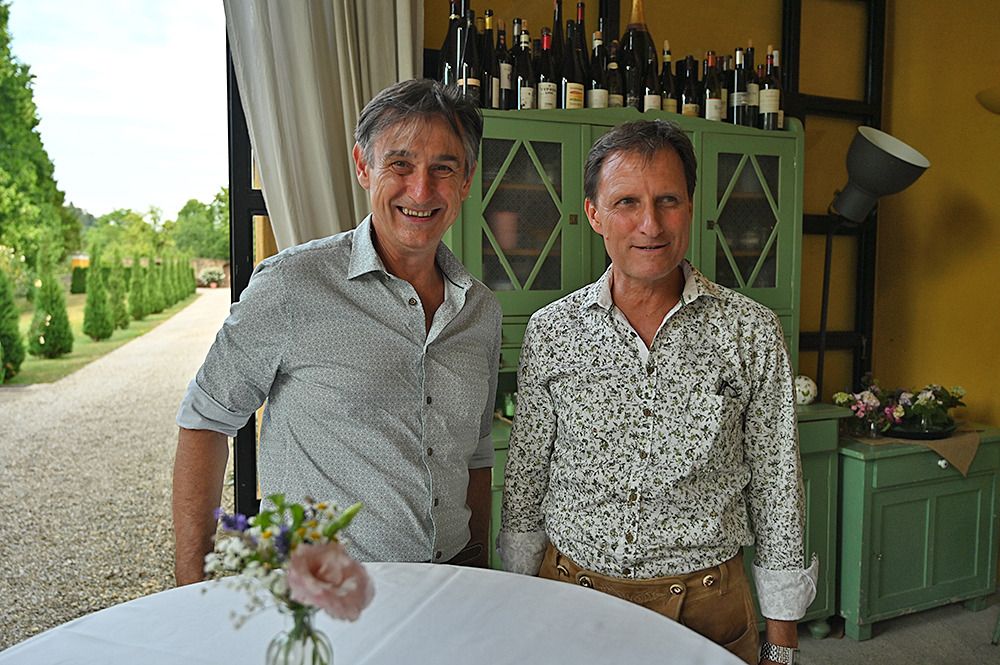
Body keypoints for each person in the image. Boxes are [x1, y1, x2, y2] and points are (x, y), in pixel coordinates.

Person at [498, 119, 816, 665]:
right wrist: (520, 597)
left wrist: (782, 643)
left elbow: (777, 485)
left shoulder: (750, 331)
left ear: (690, 207)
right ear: (594, 214)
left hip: (706, 607)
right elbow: (527, 475)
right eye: (626, 202)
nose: (650, 224)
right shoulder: (552, 330)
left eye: (668, 200)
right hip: (570, 596)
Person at [173, 79, 501, 585]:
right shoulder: (291, 284)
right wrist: (191, 583)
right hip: (322, 594)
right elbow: (206, 420)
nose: (421, 190)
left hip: (451, 587)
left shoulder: (481, 311)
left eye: (443, 168)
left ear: (467, 180)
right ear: (363, 166)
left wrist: (478, 573)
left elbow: (475, 455)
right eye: (400, 164)